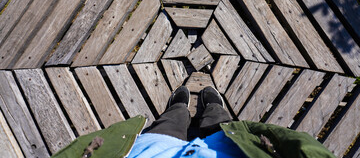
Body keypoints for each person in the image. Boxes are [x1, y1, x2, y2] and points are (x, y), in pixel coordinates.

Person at [52, 86, 336, 158]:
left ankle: (179, 108)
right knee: (218, 123)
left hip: (150, 151)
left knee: (170, 121)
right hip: (228, 148)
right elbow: (309, 150)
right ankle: (209, 108)